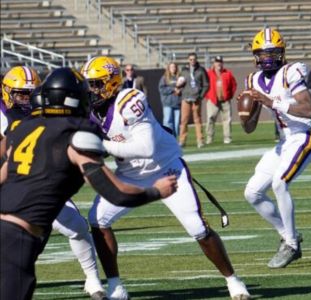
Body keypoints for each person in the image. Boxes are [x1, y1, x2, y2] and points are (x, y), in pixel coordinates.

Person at [0, 67, 178, 300]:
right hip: (19, 237)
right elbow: (116, 193)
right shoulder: (76, 136)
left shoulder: (20, 129)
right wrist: (156, 191)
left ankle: (93, 280)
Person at [82, 56, 250, 300]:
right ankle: (116, 285)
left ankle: (233, 280)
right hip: (130, 173)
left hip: (165, 168)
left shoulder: (129, 100)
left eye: (96, 83)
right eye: (89, 83)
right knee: (97, 219)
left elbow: (146, 147)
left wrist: (102, 144)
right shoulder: (89, 110)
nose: (91, 89)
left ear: (111, 82)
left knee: (197, 228)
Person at [0, 66, 108, 299]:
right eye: (21, 94)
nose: (26, 100)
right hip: (12, 186)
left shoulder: (41, 113)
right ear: (8, 91)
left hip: (37, 185)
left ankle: (93, 280)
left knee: (76, 227)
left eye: (30, 94)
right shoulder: (5, 114)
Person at [239, 28, 311, 268]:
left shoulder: (291, 72)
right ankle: (289, 236)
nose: (267, 58)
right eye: (263, 54)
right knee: (252, 192)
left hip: (305, 135)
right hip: (285, 141)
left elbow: (309, 111)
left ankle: (292, 246)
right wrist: (246, 114)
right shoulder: (252, 80)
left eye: (272, 53)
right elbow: (249, 129)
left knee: (280, 182)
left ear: (282, 53)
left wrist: (272, 101)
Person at [179, 52, 209, 148]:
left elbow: (206, 84)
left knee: (197, 120)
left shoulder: (201, 70)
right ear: (188, 60)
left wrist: (201, 96)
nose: (192, 61)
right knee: (184, 120)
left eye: (194, 59)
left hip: (196, 98)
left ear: (196, 60)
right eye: (190, 59)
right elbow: (180, 82)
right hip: (186, 97)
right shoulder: (184, 70)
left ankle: (200, 140)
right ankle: (182, 141)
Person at [205, 55, 237, 144]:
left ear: (222, 63)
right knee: (210, 119)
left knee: (227, 120)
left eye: (220, 62)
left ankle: (227, 138)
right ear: (214, 63)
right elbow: (204, 85)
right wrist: (208, 96)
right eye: (217, 62)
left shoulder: (228, 73)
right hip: (213, 100)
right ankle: (209, 138)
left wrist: (229, 96)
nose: (218, 64)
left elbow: (233, 85)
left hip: (225, 100)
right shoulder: (209, 73)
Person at [158, 62, 182, 137]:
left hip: (177, 103)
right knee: (168, 122)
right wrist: (173, 89)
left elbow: (184, 88)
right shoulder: (164, 78)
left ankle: (175, 139)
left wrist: (180, 90)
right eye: (171, 67)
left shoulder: (180, 77)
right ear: (168, 68)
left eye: (174, 67)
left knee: (177, 123)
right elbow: (161, 89)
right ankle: (168, 137)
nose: (173, 68)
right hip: (167, 103)